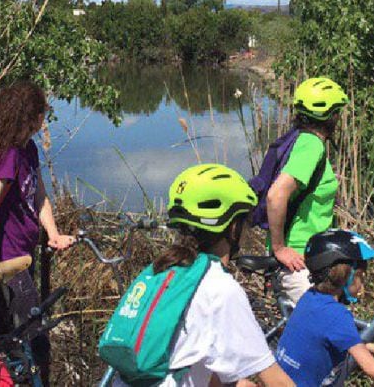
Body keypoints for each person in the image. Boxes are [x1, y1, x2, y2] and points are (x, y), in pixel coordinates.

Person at [113, 163, 294, 387]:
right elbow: (277, 381)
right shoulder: (219, 287)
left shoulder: (162, 269)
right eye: (244, 222)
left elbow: (192, 356)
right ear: (233, 228)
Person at [0, 80, 75, 386]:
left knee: (12, 334)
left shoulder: (28, 149)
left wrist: (53, 233)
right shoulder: (6, 155)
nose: (43, 120)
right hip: (6, 257)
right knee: (34, 333)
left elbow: (39, 196)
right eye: (41, 113)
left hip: (25, 253)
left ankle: (14, 378)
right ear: (30, 116)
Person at [275, 229, 374, 387]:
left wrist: (372, 347)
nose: (362, 286)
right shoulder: (337, 315)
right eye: (360, 276)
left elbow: (328, 338)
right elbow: (371, 368)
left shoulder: (310, 298)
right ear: (347, 275)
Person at [267, 76, 348, 304]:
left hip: (309, 257)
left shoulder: (301, 140)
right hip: (299, 260)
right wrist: (279, 248)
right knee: (331, 334)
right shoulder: (312, 146)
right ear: (331, 116)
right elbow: (276, 195)